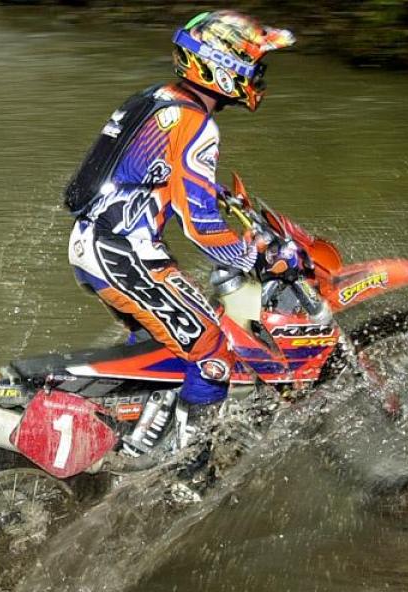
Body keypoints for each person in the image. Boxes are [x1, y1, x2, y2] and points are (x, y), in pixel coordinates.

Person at [66, 10, 296, 449]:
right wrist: (258, 257)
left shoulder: (157, 98)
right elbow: (202, 228)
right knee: (213, 349)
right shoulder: (197, 124)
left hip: (98, 243)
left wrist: (224, 202)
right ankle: (189, 470)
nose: (259, 77)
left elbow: (155, 176)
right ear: (224, 65)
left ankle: (139, 440)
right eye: (255, 66)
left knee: (169, 349)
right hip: (123, 255)